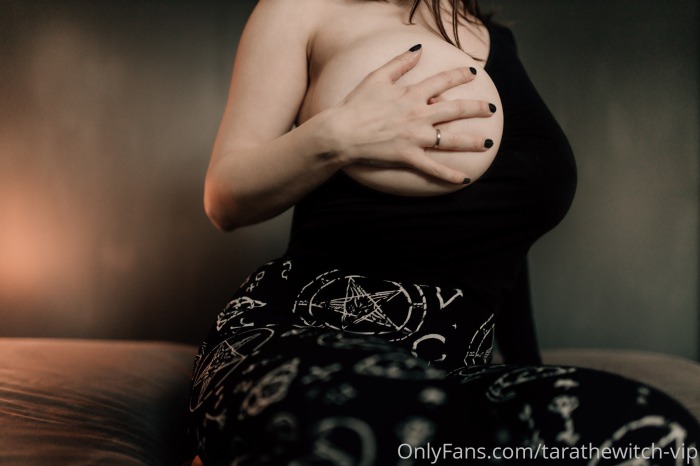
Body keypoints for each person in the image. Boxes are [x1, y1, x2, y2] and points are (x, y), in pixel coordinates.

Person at [188, 0, 699, 464]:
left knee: (659, 439)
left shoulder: (495, 38)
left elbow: (503, 242)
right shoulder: (302, 9)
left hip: (455, 370)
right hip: (304, 332)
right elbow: (224, 199)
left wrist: (528, 373)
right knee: (407, 426)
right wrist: (338, 135)